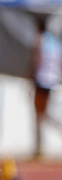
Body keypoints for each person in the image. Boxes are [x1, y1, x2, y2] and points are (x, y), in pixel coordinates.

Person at [32, 20, 62, 158]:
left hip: (41, 80)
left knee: (40, 114)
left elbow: (36, 61)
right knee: (43, 113)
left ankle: (38, 146)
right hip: (52, 80)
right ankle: (38, 145)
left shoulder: (42, 43)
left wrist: (30, 76)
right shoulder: (55, 44)